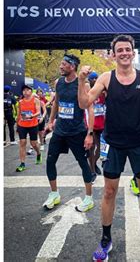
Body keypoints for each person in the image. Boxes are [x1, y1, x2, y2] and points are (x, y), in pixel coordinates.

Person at [77, 35, 140, 261]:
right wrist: (81, 80)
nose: (124, 53)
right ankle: (106, 239)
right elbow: (84, 103)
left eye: (127, 49)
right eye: (119, 50)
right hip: (113, 143)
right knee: (109, 191)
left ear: (133, 52)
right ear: (113, 54)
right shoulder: (106, 78)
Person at [42, 54, 96, 213]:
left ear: (72, 67)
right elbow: (57, 103)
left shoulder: (84, 85)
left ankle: (89, 198)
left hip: (77, 131)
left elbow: (90, 110)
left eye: (63, 64)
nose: (60, 66)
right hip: (60, 131)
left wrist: (90, 134)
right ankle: (54, 194)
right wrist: (50, 121)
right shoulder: (58, 82)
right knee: (50, 161)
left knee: (83, 163)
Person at [15, 84, 43, 172]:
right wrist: (17, 125)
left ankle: (38, 153)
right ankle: (22, 164)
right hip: (22, 125)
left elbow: (38, 112)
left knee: (34, 144)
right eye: (24, 90)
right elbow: (19, 114)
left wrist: (30, 116)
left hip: (33, 125)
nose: (25, 92)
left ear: (31, 91)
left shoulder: (36, 100)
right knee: (22, 142)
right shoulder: (20, 102)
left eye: (27, 90)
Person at [87, 72, 105, 176]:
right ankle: (92, 171)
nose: (95, 80)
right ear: (89, 80)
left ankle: (93, 164)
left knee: (102, 147)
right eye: (93, 79)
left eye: (97, 78)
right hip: (91, 125)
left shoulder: (103, 92)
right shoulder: (87, 92)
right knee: (91, 147)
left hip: (102, 123)